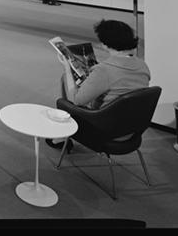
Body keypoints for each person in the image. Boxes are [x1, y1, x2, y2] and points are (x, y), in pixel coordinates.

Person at [46, 19, 150, 150]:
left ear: (105, 44)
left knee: (66, 88)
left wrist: (67, 68)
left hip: (103, 129)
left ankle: (62, 135)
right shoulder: (142, 65)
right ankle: (62, 136)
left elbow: (76, 100)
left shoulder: (104, 71)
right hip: (133, 128)